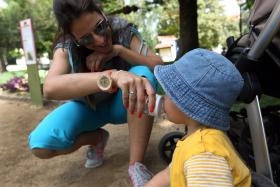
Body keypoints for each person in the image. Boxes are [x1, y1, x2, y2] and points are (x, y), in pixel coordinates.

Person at [28, 0, 163, 186]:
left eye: (100, 27)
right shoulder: (65, 45)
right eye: (86, 39)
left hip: (123, 103)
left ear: (101, 11)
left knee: (143, 76)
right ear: (74, 38)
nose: (100, 40)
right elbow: (50, 88)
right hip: (87, 108)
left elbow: (158, 64)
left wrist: (119, 50)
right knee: (40, 145)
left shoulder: (122, 30)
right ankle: (97, 138)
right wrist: (112, 76)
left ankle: (136, 165)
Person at [145, 48, 251, 187]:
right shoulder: (195, 140)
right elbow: (170, 173)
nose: (163, 98)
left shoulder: (204, 155)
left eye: (168, 94)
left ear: (186, 104)